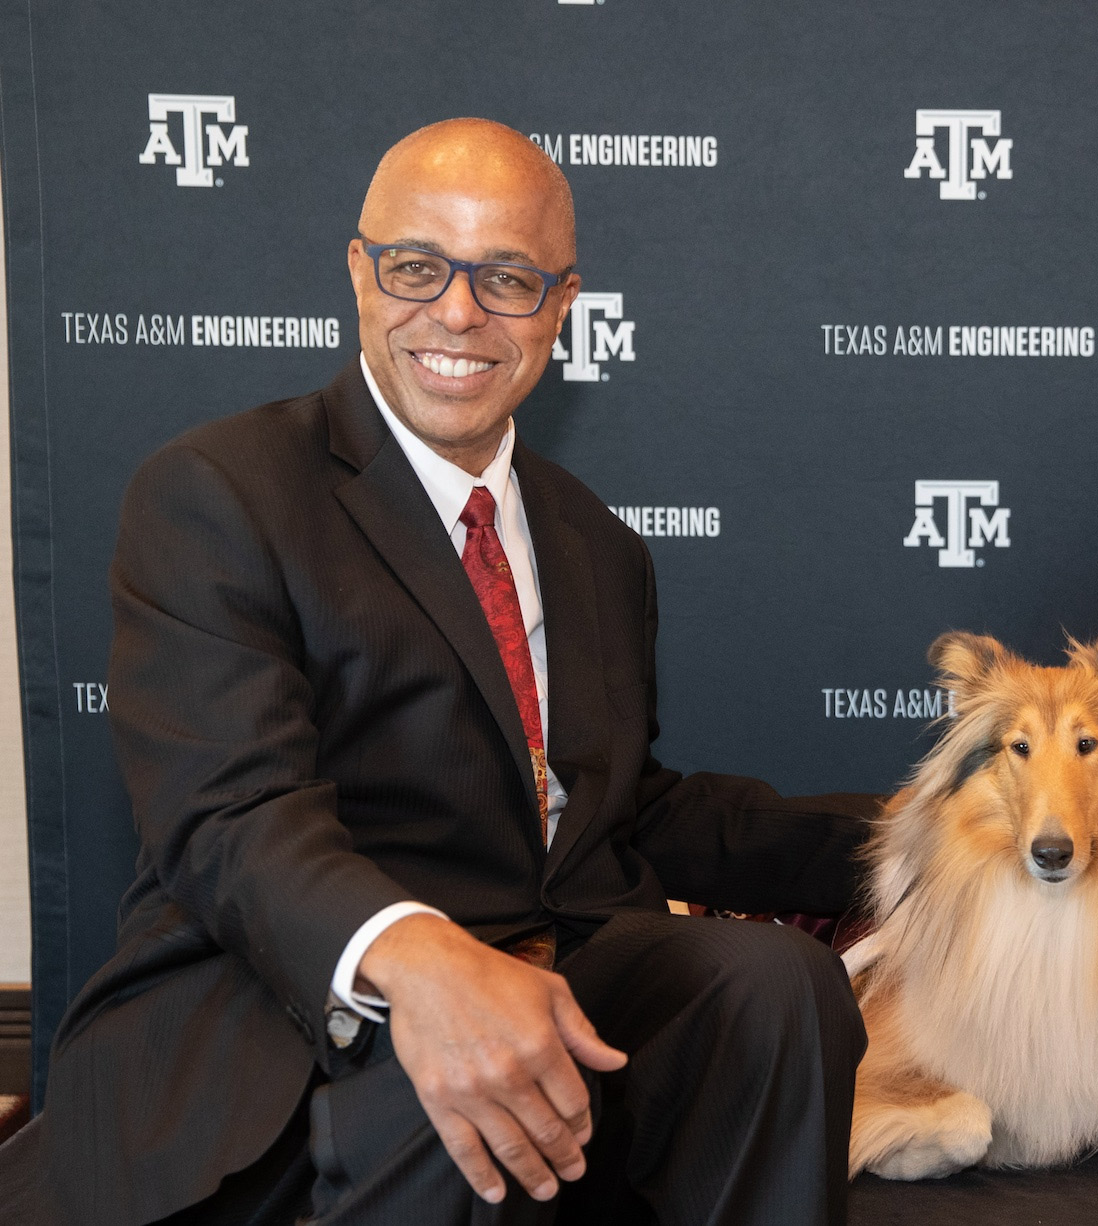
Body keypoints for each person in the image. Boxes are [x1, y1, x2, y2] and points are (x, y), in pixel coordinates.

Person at [14, 118, 876, 1225]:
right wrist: (423, 962)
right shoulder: (218, 490)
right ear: (359, 271)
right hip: (295, 1024)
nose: (459, 312)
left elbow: (613, 808)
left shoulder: (595, 541)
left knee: (774, 987)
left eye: (507, 278)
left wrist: (919, 843)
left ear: (562, 306)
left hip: (553, 966)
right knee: (457, 1075)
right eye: (419, 266)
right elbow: (232, 815)